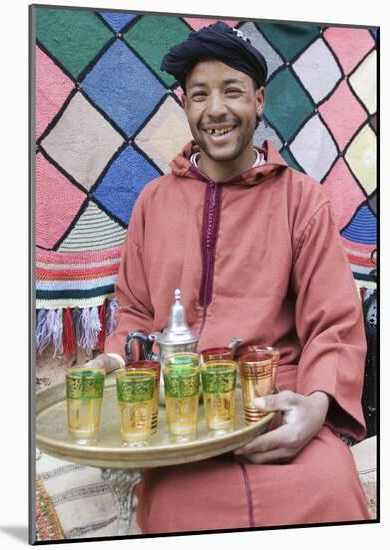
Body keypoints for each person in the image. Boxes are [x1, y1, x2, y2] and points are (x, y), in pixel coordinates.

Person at [90, 22, 370, 532]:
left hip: (276, 406)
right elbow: (132, 312)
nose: (215, 109)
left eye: (232, 91)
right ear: (186, 107)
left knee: (330, 487)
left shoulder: (300, 199)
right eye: (200, 95)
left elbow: (334, 322)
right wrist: (120, 357)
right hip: (179, 416)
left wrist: (314, 406)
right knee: (175, 511)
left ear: (259, 101)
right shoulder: (153, 201)